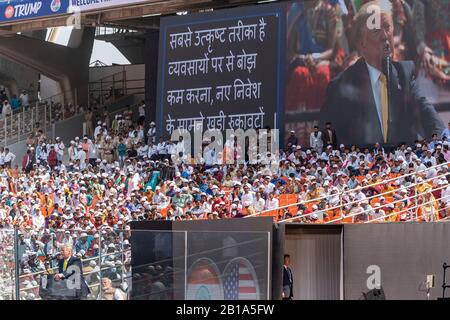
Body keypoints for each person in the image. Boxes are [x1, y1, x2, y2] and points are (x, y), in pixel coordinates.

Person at [319, 1, 445, 146]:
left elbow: (427, 114)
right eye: (376, 30)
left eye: (387, 27)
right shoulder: (339, 88)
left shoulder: (404, 73)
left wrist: (444, 141)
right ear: (361, 43)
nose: (385, 36)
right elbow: (327, 142)